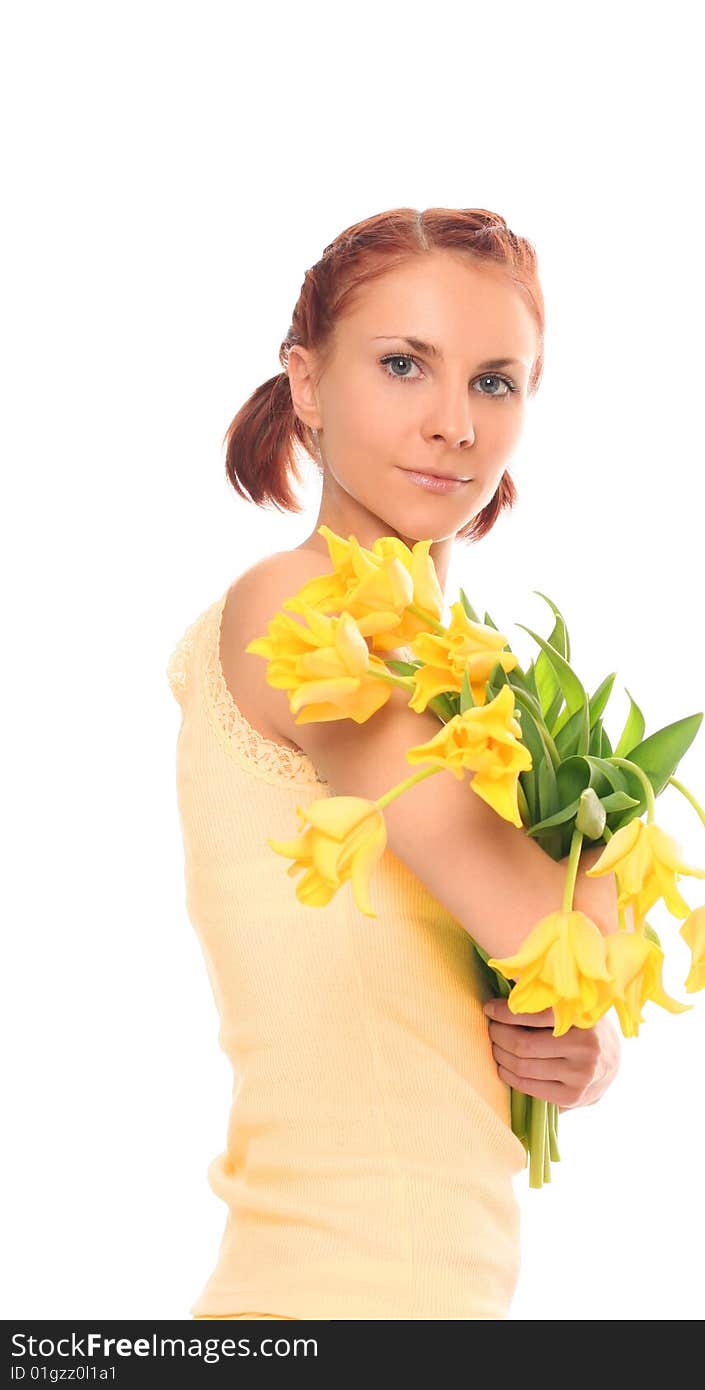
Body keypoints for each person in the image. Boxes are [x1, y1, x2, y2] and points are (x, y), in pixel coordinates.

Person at [166, 206, 622, 1321]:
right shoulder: (304, 610)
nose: (451, 423)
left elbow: (540, 960)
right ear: (308, 384)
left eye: (494, 382)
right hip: (332, 1296)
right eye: (404, 364)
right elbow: (550, 926)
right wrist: (595, 897)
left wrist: (582, 1047)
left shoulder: (462, 680)